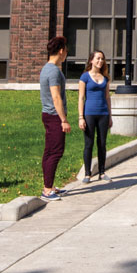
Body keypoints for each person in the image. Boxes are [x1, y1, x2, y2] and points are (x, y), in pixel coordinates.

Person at [39, 36, 71, 202]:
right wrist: (63, 120)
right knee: (55, 152)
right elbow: (56, 97)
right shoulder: (53, 71)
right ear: (61, 51)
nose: (66, 53)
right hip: (53, 116)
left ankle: (50, 186)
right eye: (66, 50)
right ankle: (47, 189)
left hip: (48, 114)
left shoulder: (47, 68)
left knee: (49, 151)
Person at [78, 50, 113, 183]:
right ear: (91, 60)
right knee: (89, 143)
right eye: (98, 58)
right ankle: (87, 174)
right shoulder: (85, 77)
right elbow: (81, 98)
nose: (100, 61)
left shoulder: (105, 78)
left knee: (102, 144)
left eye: (102, 59)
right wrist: (81, 117)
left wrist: (110, 116)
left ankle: (102, 172)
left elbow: (107, 97)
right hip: (89, 114)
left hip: (103, 114)